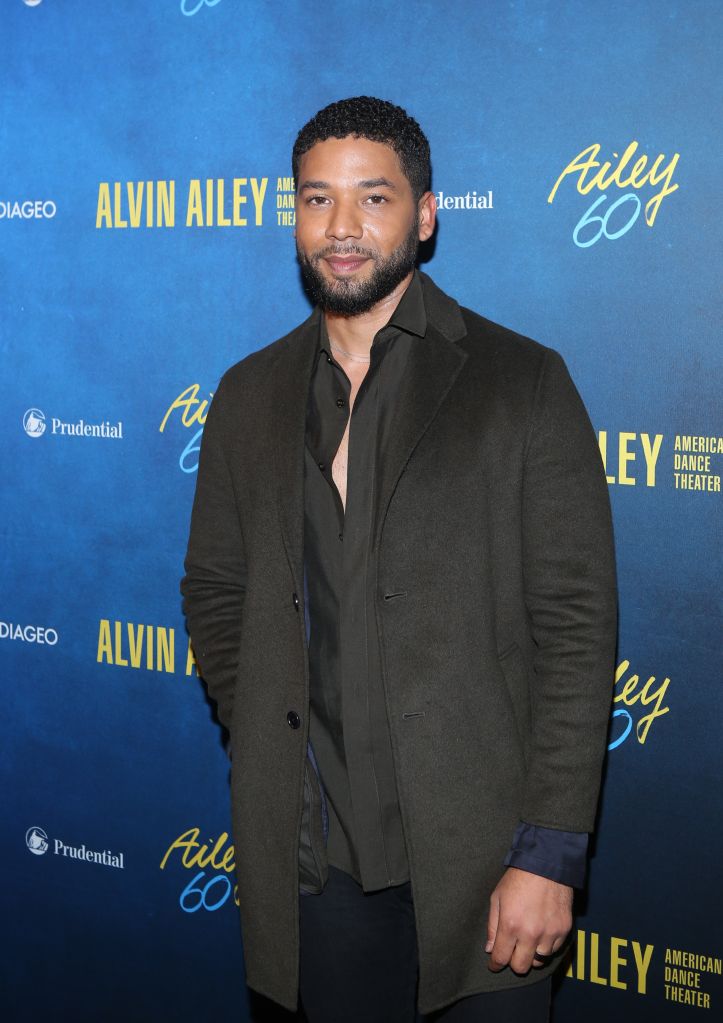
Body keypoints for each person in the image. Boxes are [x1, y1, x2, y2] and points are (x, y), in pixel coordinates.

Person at [181, 96, 617, 1023]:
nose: (341, 228)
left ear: (424, 214)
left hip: (481, 865)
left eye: (372, 198)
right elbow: (215, 585)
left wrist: (546, 853)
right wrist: (260, 715)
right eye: (315, 199)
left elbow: (575, 628)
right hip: (313, 870)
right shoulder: (248, 393)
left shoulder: (519, 381)